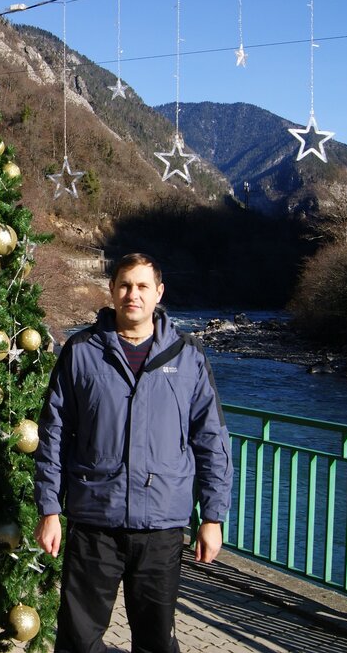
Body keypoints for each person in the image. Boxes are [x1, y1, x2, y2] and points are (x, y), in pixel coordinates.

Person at [34, 253, 233, 653]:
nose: (133, 295)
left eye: (143, 286)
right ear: (111, 290)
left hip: (161, 527)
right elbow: (54, 435)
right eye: (125, 285)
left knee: (156, 641)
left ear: (158, 293)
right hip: (94, 521)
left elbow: (211, 440)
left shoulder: (188, 356)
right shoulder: (81, 351)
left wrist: (212, 517)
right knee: (78, 639)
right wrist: (49, 510)